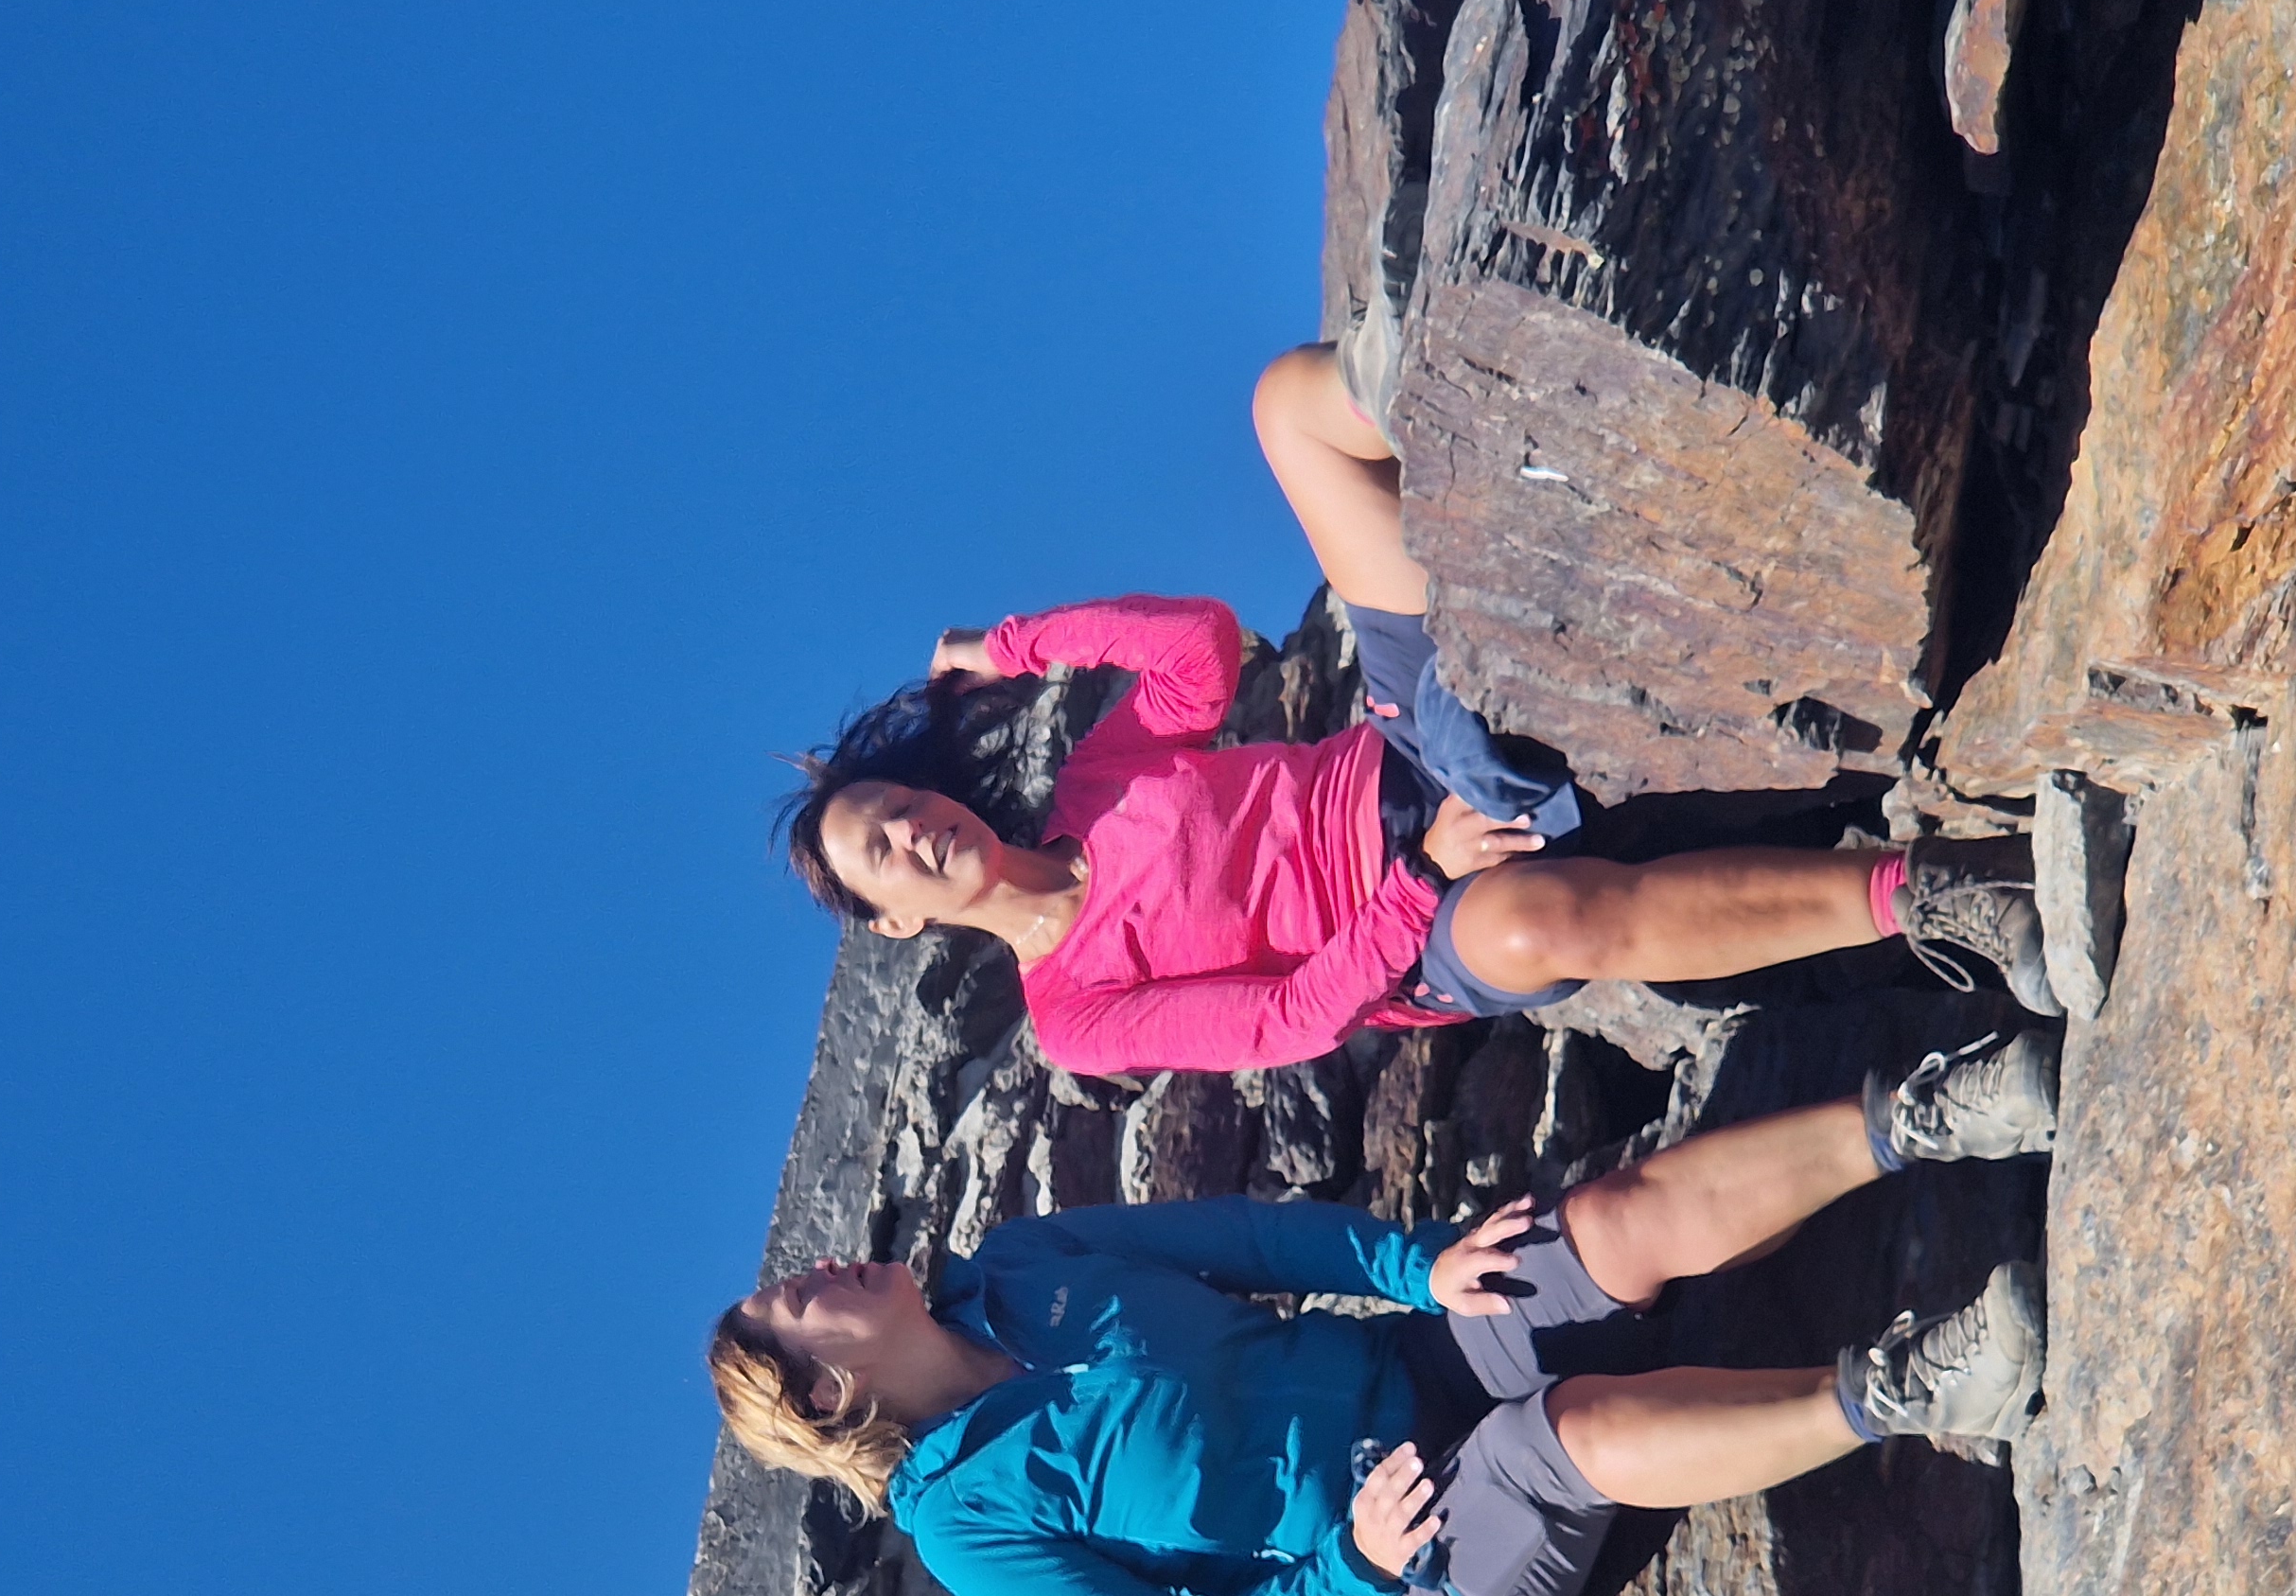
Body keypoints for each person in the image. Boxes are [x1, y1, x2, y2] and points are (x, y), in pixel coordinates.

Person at [773, 341, 2054, 1080]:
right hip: (1416, 924)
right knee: (1531, 924)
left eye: (892, 806)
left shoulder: (1096, 783)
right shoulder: (1076, 1017)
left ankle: (1529, 370)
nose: (909, 833)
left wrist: (1007, 647)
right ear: (897, 923)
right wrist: (1414, 882)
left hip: (1398, 739)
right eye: (882, 856)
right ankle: (1936, 896)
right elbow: (1284, 1021)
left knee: (1289, 410)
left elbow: (1203, 648)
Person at [705, 1035, 2057, 1596]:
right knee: (1555, 1434)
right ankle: (1917, 1390)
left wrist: (1420, 1270)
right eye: (799, 1305)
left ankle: (1931, 1116)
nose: (820, 1268)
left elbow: (1241, 1237)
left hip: (1414, 1363)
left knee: (1580, 1234)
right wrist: (1346, 1566)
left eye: (801, 1270)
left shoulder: (1023, 1263)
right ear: (824, 1397)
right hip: (1407, 1591)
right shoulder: (969, 1527)